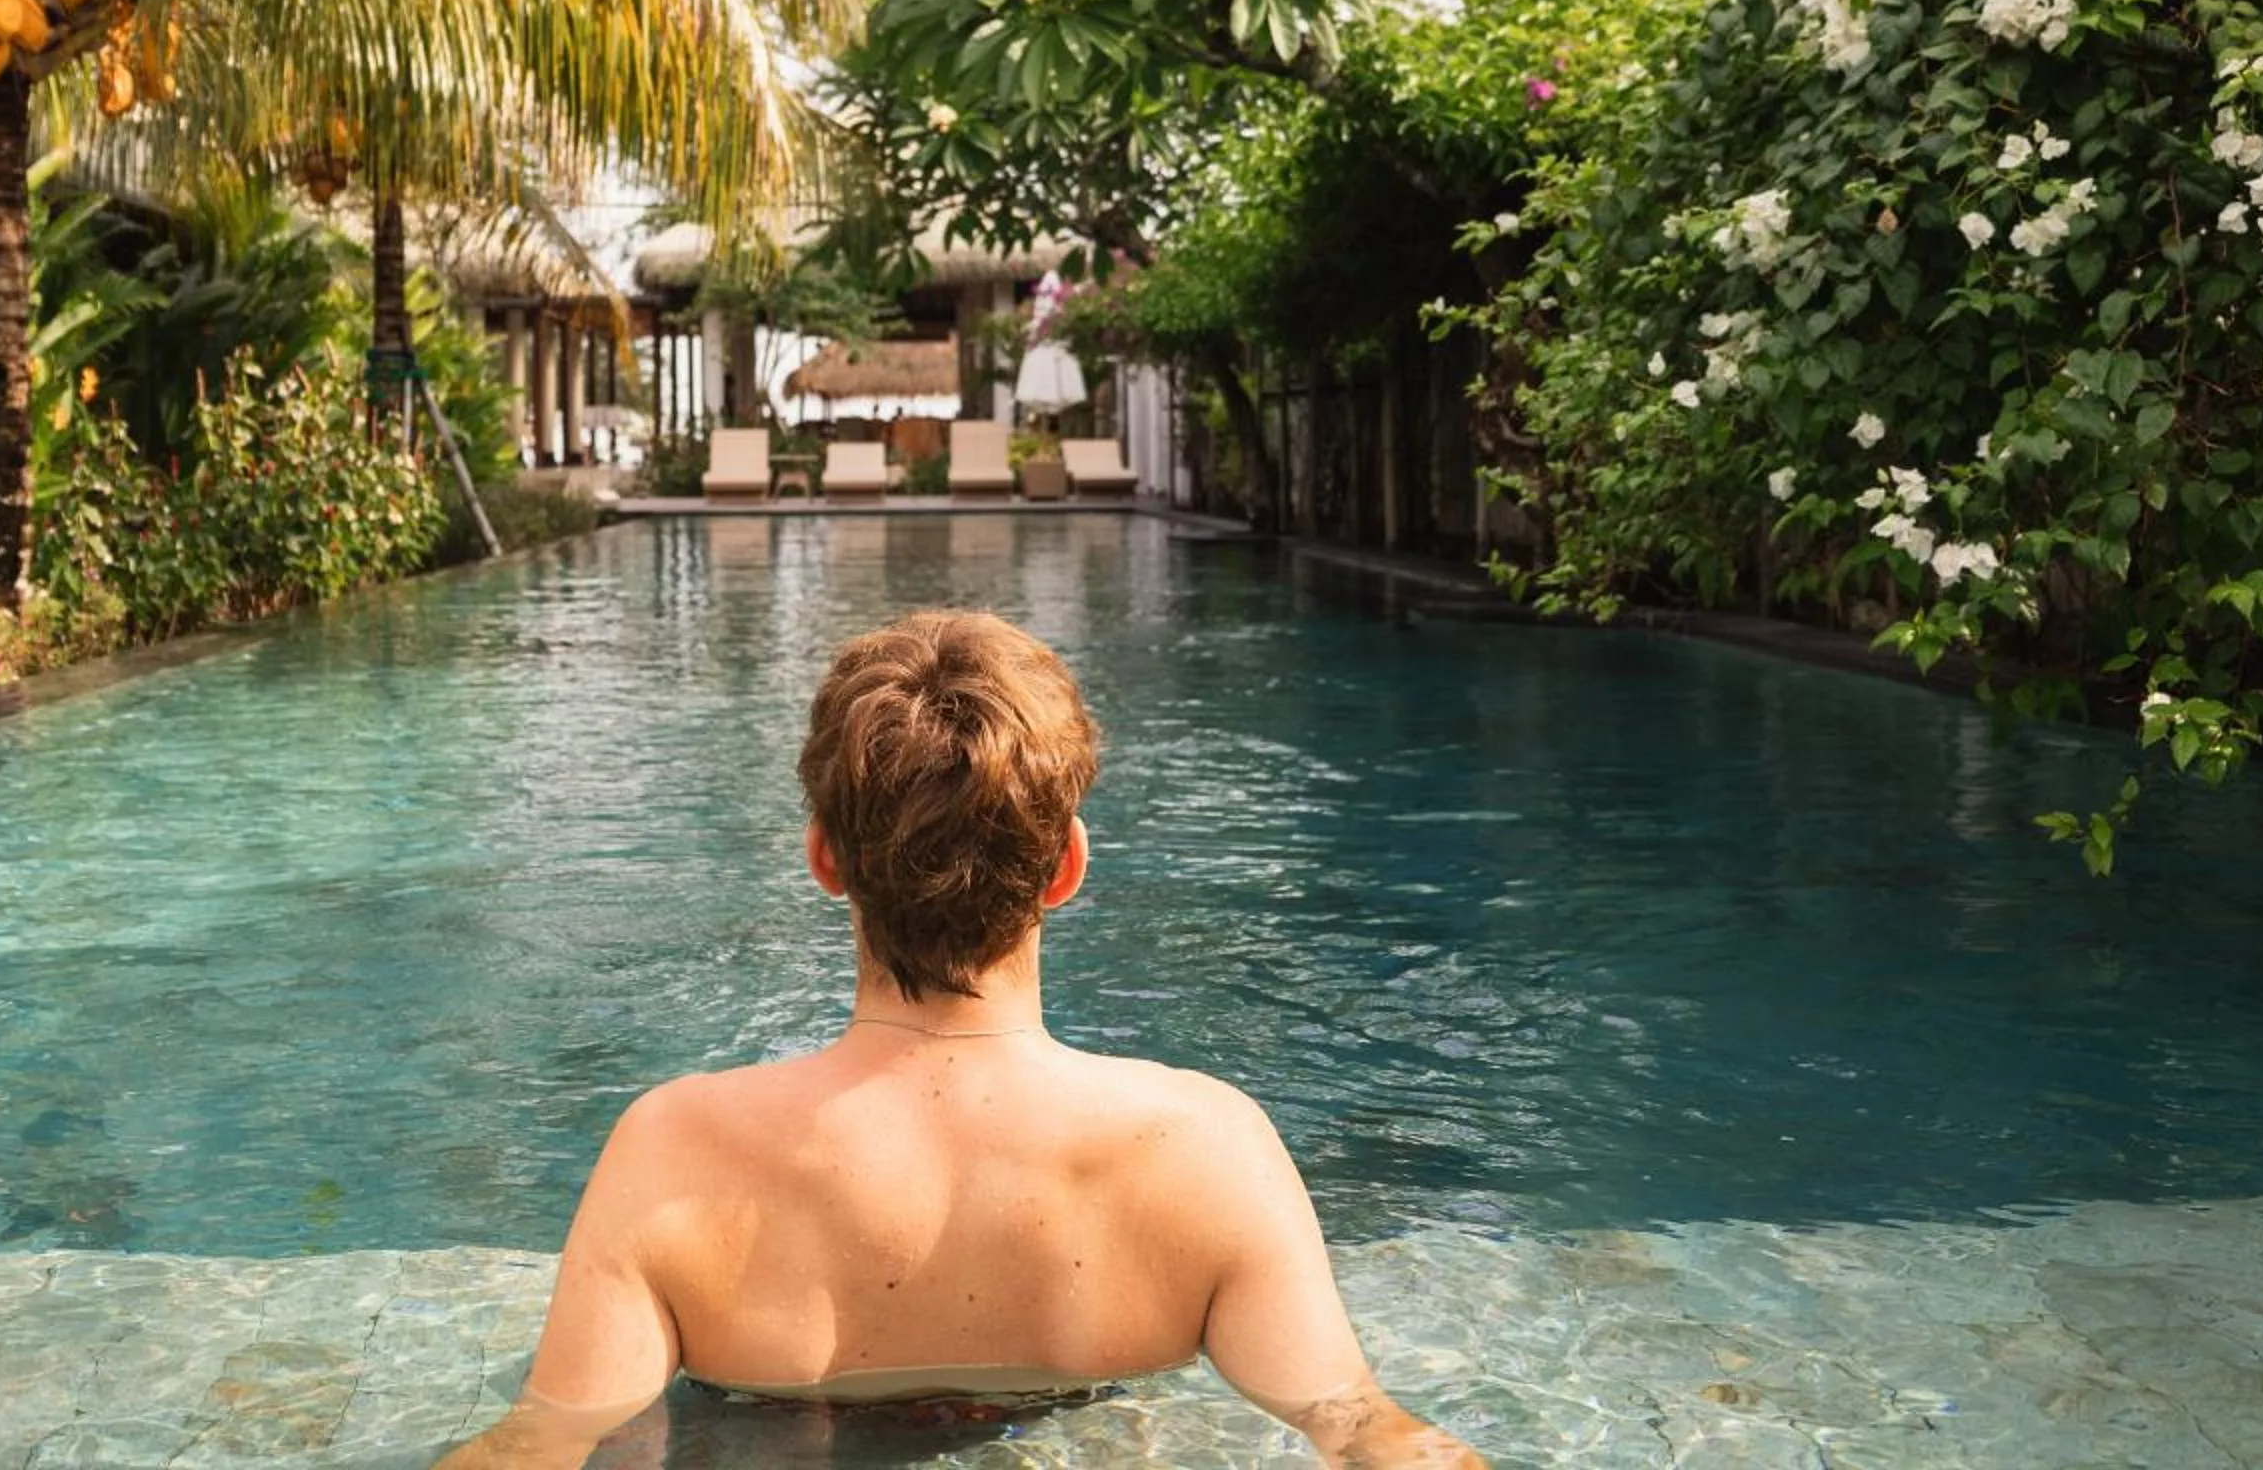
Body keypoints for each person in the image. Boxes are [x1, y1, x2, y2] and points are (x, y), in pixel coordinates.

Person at [434, 611, 1486, 1468]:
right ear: (1067, 864)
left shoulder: (677, 1149)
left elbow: (541, 1440)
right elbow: (1361, 1427)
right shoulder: (1206, 1146)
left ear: (825, 859)